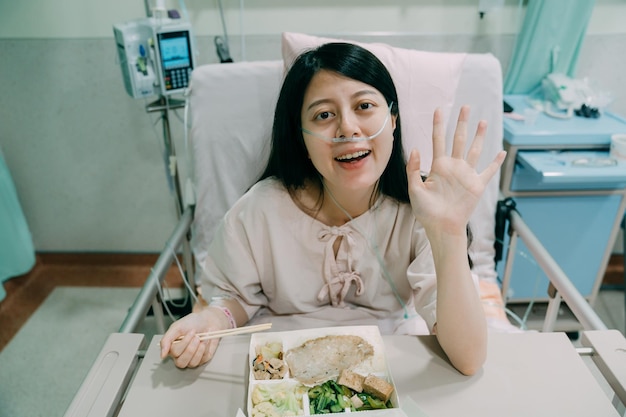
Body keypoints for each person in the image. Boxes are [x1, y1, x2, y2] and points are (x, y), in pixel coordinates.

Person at [160, 42, 506, 376]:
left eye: (364, 106)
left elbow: (469, 359)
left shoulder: (422, 211)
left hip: (390, 368)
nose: (348, 128)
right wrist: (211, 320)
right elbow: (231, 300)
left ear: (394, 119)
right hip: (282, 371)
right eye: (324, 114)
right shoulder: (258, 212)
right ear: (301, 136)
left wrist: (448, 233)